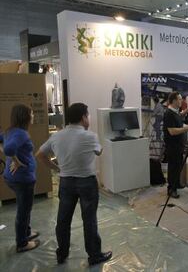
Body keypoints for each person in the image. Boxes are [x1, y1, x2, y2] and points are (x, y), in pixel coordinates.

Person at [36, 103, 112, 266]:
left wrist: (56, 168)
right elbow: (99, 151)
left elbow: (40, 154)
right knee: (89, 220)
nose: (89, 118)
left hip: (66, 182)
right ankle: (94, 255)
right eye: (88, 115)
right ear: (83, 117)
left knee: (63, 219)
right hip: (87, 183)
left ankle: (62, 253)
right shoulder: (90, 136)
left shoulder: (57, 136)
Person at [0, 105, 40, 253]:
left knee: (25, 207)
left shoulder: (10, 131)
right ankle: (22, 243)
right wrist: (15, 160)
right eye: (32, 113)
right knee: (23, 211)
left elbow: (2, 142)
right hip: (23, 180)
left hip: (13, 178)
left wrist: (12, 158)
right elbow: (9, 149)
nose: (33, 115)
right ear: (25, 116)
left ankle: (27, 233)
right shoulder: (21, 134)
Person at [163, 92, 188, 198]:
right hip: (173, 146)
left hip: (178, 146)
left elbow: (180, 118)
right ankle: (171, 189)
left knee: (178, 167)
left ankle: (176, 184)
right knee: (173, 168)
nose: (182, 101)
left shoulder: (175, 112)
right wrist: (186, 128)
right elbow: (172, 131)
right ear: (174, 101)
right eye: (180, 99)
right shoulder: (169, 114)